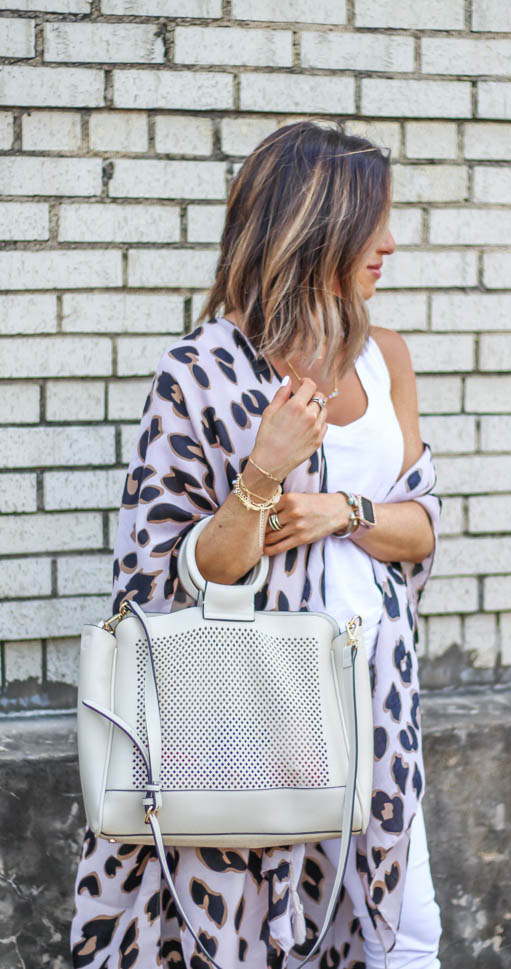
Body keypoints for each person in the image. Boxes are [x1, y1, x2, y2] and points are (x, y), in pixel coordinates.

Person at [71, 120, 443, 969]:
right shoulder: (200, 371)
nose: (389, 244)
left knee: (404, 931)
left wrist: (340, 512)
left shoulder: (387, 357)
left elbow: (422, 524)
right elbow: (164, 577)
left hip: (377, 695)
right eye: (372, 224)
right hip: (249, 707)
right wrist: (263, 475)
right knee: (247, 938)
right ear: (316, 226)